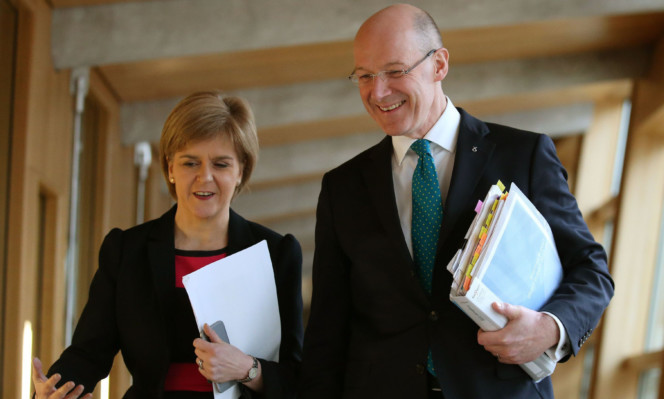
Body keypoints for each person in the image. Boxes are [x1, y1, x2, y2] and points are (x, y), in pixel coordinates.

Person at [299, 4, 614, 399]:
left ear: (439, 64)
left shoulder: (523, 155)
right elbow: (327, 328)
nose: (378, 92)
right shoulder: (341, 188)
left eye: (395, 71)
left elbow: (590, 270)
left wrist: (550, 328)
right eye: (364, 75)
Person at [32, 91, 303, 399]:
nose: (205, 177)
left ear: (241, 170)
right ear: (170, 168)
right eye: (190, 163)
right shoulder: (126, 251)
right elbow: (88, 353)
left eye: (221, 164)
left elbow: (299, 376)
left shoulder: (275, 254)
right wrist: (53, 389)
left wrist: (247, 368)